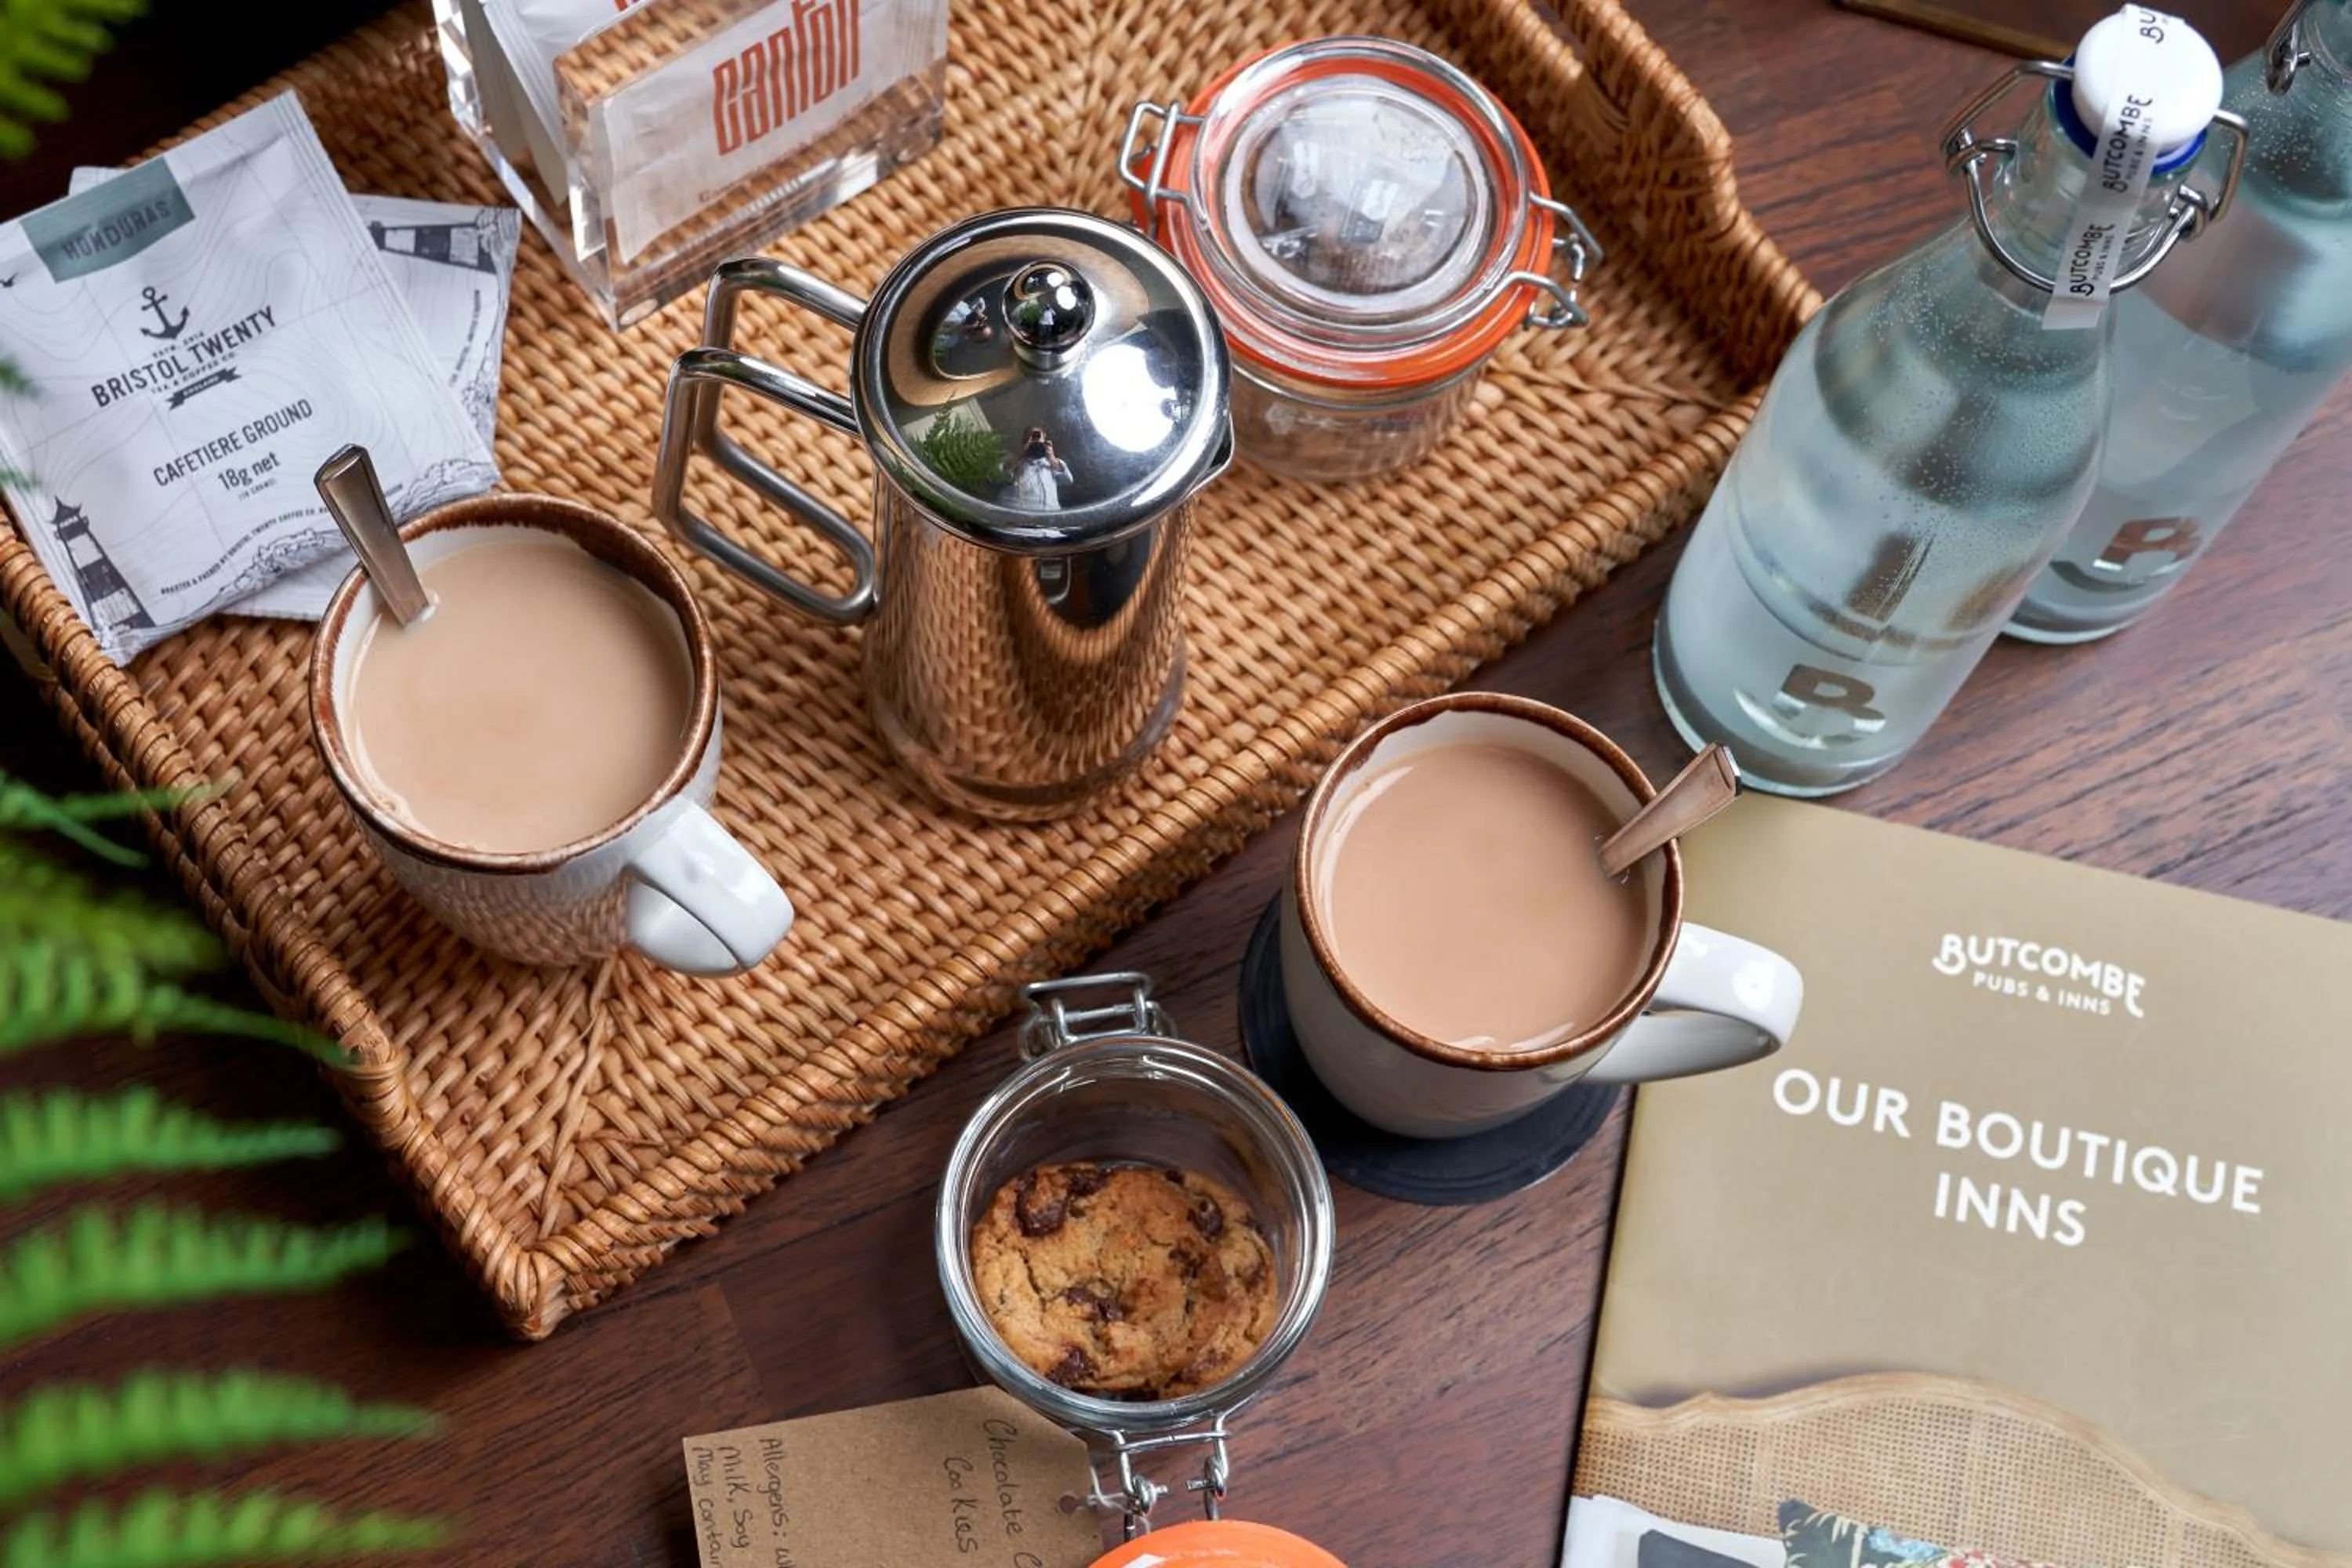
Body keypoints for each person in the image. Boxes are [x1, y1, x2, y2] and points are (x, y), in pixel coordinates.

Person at [1005, 426, 1073, 511]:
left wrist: (1052, 458)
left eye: (1037, 436)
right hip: (1015, 512)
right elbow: (1000, 476)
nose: (1034, 440)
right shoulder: (1012, 460)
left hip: (1050, 516)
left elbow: (1068, 480)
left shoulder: (1052, 463)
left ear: (1044, 439)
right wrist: (1021, 455)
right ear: (1024, 441)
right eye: (1030, 437)